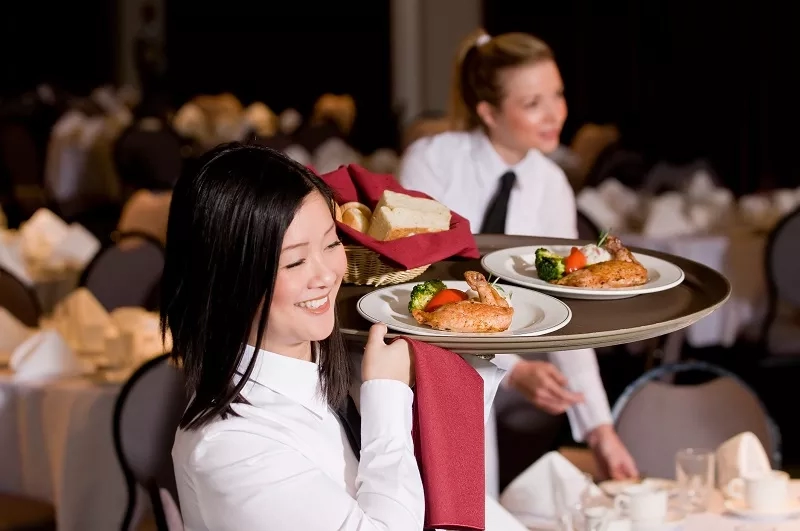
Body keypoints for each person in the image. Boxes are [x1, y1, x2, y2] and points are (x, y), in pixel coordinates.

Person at [398, 30, 639, 496]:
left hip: (494, 369)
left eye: (558, 95)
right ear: (488, 112)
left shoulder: (551, 184)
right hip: (421, 364)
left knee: (480, 505)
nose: (555, 115)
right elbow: (422, 297)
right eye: (533, 103)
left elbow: (572, 309)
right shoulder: (431, 163)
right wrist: (515, 368)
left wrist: (599, 431)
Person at [163, 143, 424, 530]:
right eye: (295, 261)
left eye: (332, 243)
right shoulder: (231, 449)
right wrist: (387, 396)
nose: (326, 275)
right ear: (230, 281)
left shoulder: (333, 363)